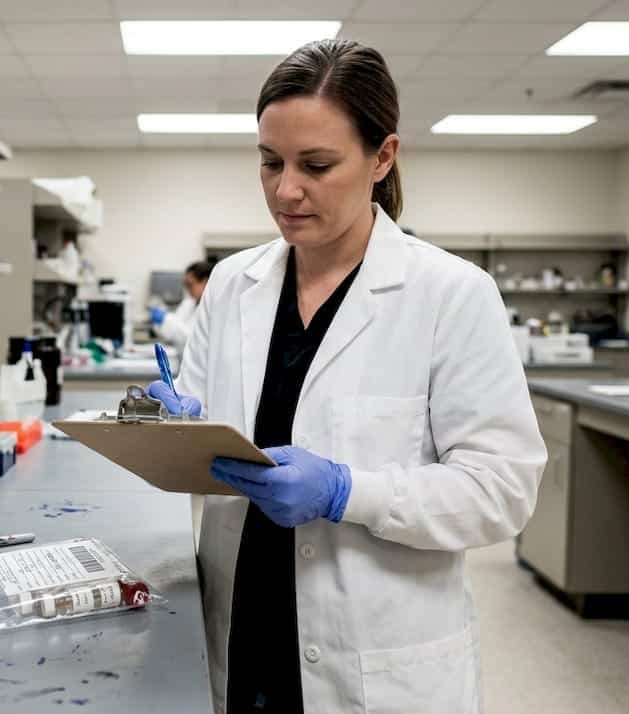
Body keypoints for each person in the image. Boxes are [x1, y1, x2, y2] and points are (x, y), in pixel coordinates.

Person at [146, 40, 545, 713]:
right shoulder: (231, 284)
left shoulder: (451, 293)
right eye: (270, 163)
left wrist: (345, 492)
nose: (285, 189)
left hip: (375, 661)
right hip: (242, 627)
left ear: (382, 156)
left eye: (316, 165)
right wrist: (174, 429)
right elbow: (213, 437)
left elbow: (502, 490)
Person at [150, 260, 213, 348]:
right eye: (185, 285)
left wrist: (165, 319)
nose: (187, 289)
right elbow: (173, 332)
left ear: (205, 282)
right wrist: (159, 323)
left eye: (190, 284)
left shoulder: (212, 308)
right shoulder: (189, 303)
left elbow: (192, 337)